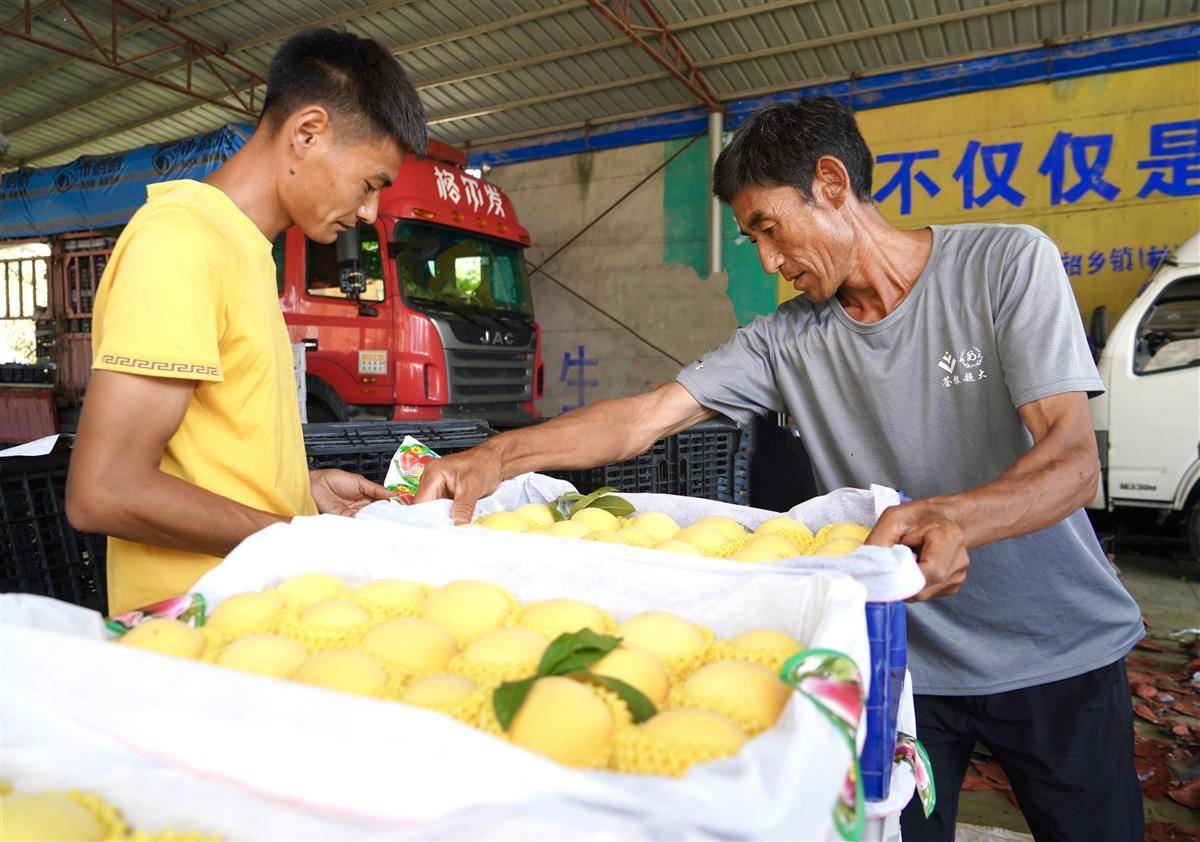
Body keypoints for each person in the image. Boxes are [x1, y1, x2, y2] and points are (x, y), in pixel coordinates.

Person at [416, 98, 1145, 840]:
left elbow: (1071, 460)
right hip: (907, 671)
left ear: (831, 184)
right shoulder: (786, 341)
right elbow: (642, 418)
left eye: (768, 227)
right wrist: (497, 455)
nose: (767, 260)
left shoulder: (1002, 266)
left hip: (1057, 656)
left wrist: (958, 518)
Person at [66, 28, 427, 615]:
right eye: (370, 184)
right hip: (189, 632)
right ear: (307, 133)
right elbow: (106, 491)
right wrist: (297, 539)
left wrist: (301, 495)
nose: (368, 212)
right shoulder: (180, 243)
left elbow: (210, 456)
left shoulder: (248, 252)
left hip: (253, 618)